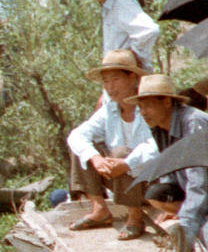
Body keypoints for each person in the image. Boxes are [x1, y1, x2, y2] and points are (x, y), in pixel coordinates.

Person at [65, 50, 155, 240]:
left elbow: (156, 147)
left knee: (121, 152)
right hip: (121, 178)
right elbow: (78, 135)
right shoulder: (110, 110)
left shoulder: (148, 107)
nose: (110, 87)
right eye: (106, 81)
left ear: (132, 77)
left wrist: (126, 163)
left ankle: (135, 216)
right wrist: (95, 158)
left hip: (151, 182)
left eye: (115, 80)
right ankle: (100, 209)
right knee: (82, 147)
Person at [129, 75, 208, 252]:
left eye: (148, 105)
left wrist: (186, 224)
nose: (143, 112)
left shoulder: (193, 123)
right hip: (198, 192)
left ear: (166, 102)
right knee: (157, 194)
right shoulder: (159, 126)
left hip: (204, 188)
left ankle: (194, 219)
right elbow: (170, 167)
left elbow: (200, 180)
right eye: (140, 107)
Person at [58, 0, 158, 69]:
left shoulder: (121, 4)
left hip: (131, 78)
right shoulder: (109, 6)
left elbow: (149, 30)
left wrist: (132, 58)